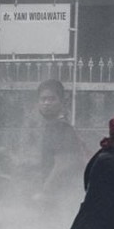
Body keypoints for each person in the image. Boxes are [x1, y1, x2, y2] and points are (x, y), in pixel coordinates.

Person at [32, 79, 86, 207]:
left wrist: (45, 192)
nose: (46, 103)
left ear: (61, 102)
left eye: (52, 99)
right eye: (43, 99)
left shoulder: (60, 127)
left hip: (61, 197)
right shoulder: (53, 126)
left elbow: (63, 162)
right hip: (61, 196)